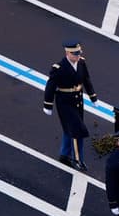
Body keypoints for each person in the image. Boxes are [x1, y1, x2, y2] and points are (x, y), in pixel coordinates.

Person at [42, 40, 97, 171]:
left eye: (79, 53)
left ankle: (64, 154)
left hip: (78, 101)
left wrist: (93, 96)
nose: (78, 56)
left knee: (69, 130)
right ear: (67, 53)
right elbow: (50, 87)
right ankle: (77, 159)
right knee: (77, 131)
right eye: (75, 54)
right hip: (65, 103)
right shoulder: (59, 68)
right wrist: (48, 105)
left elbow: (86, 80)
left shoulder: (81, 63)